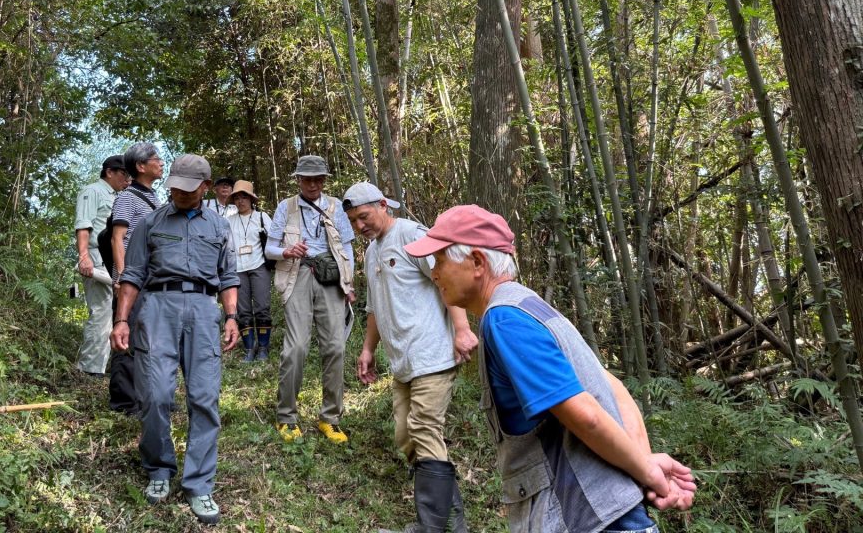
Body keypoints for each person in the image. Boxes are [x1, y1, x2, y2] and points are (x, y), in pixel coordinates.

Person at [403, 205, 695, 533]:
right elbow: (612, 386)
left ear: (477, 262)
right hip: (615, 517)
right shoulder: (535, 309)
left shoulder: (505, 320)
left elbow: (586, 415)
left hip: (587, 521)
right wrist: (645, 463)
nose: (435, 272)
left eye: (440, 260)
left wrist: (647, 473)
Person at [110, 153, 240, 523]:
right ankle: (158, 469)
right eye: (175, 188)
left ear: (205, 187)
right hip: (157, 308)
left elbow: (228, 277)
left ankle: (199, 483)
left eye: (188, 188)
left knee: (204, 398)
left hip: (203, 310)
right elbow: (132, 274)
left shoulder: (219, 227)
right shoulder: (150, 222)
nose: (180, 194)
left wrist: (231, 317)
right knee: (155, 394)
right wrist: (122, 320)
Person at [342, 182, 476, 533]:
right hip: (402, 362)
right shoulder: (372, 251)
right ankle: (450, 519)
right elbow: (375, 307)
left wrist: (461, 329)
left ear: (383, 205)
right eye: (354, 221)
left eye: (364, 217)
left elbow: (447, 280)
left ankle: (432, 527)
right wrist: (369, 348)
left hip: (431, 353)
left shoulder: (412, 235)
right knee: (407, 436)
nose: (360, 226)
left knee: (424, 429)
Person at [265, 155, 355, 443]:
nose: (313, 184)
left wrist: (348, 282)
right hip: (297, 275)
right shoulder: (286, 207)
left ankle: (330, 418)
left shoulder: (335, 207)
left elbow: (347, 248)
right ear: (298, 180)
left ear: (324, 180)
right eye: (307, 179)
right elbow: (269, 249)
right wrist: (287, 252)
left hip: (330, 276)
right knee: (297, 347)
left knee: (335, 346)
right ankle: (286, 416)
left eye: (318, 179)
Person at [107, 142, 163, 416]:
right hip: (132, 280)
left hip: (150, 280)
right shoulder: (127, 198)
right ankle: (124, 401)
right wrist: (122, 278)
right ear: (141, 166)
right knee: (126, 336)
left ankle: (144, 397)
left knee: (146, 337)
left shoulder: (155, 198)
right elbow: (119, 238)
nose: (161, 162)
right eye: (155, 158)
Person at [73, 155, 130, 376]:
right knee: (101, 312)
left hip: (115, 261)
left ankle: (107, 365)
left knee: (118, 313)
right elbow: (83, 225)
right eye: (124, 174)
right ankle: (90, 368)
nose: (126, 179)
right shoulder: (93, 191)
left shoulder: (121, 197)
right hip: (96, 259)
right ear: (109, 171)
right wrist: (83, 256)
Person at [226, 180, 274, 362]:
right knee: (243, 310)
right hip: (238, 269)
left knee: (262, 307)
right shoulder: (229, 221)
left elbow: (274, 240)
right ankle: (249, 348)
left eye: (244, 197)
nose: (240, 201)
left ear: (251, 199)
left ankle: (263, 347)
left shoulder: (262, 217)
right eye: (237, 198)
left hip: (259, 265)